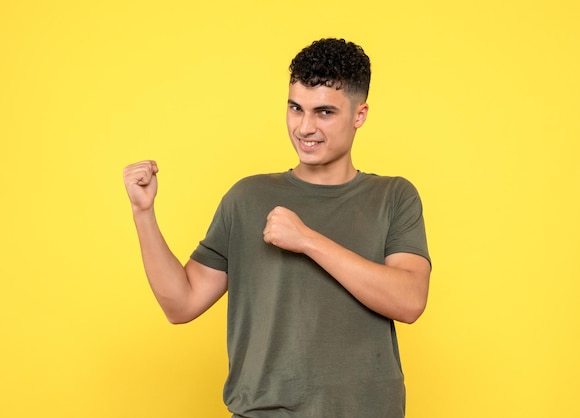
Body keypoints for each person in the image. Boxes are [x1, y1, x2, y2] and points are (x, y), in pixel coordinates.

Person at [123, 38, 431, 417]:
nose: (304, 127)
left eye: (324, 113)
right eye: (295, 108)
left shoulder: (393, 197)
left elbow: (410, 299)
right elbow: (181, 304)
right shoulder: (248, 197)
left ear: (360, 114)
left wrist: (307, 240)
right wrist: (143, 213)